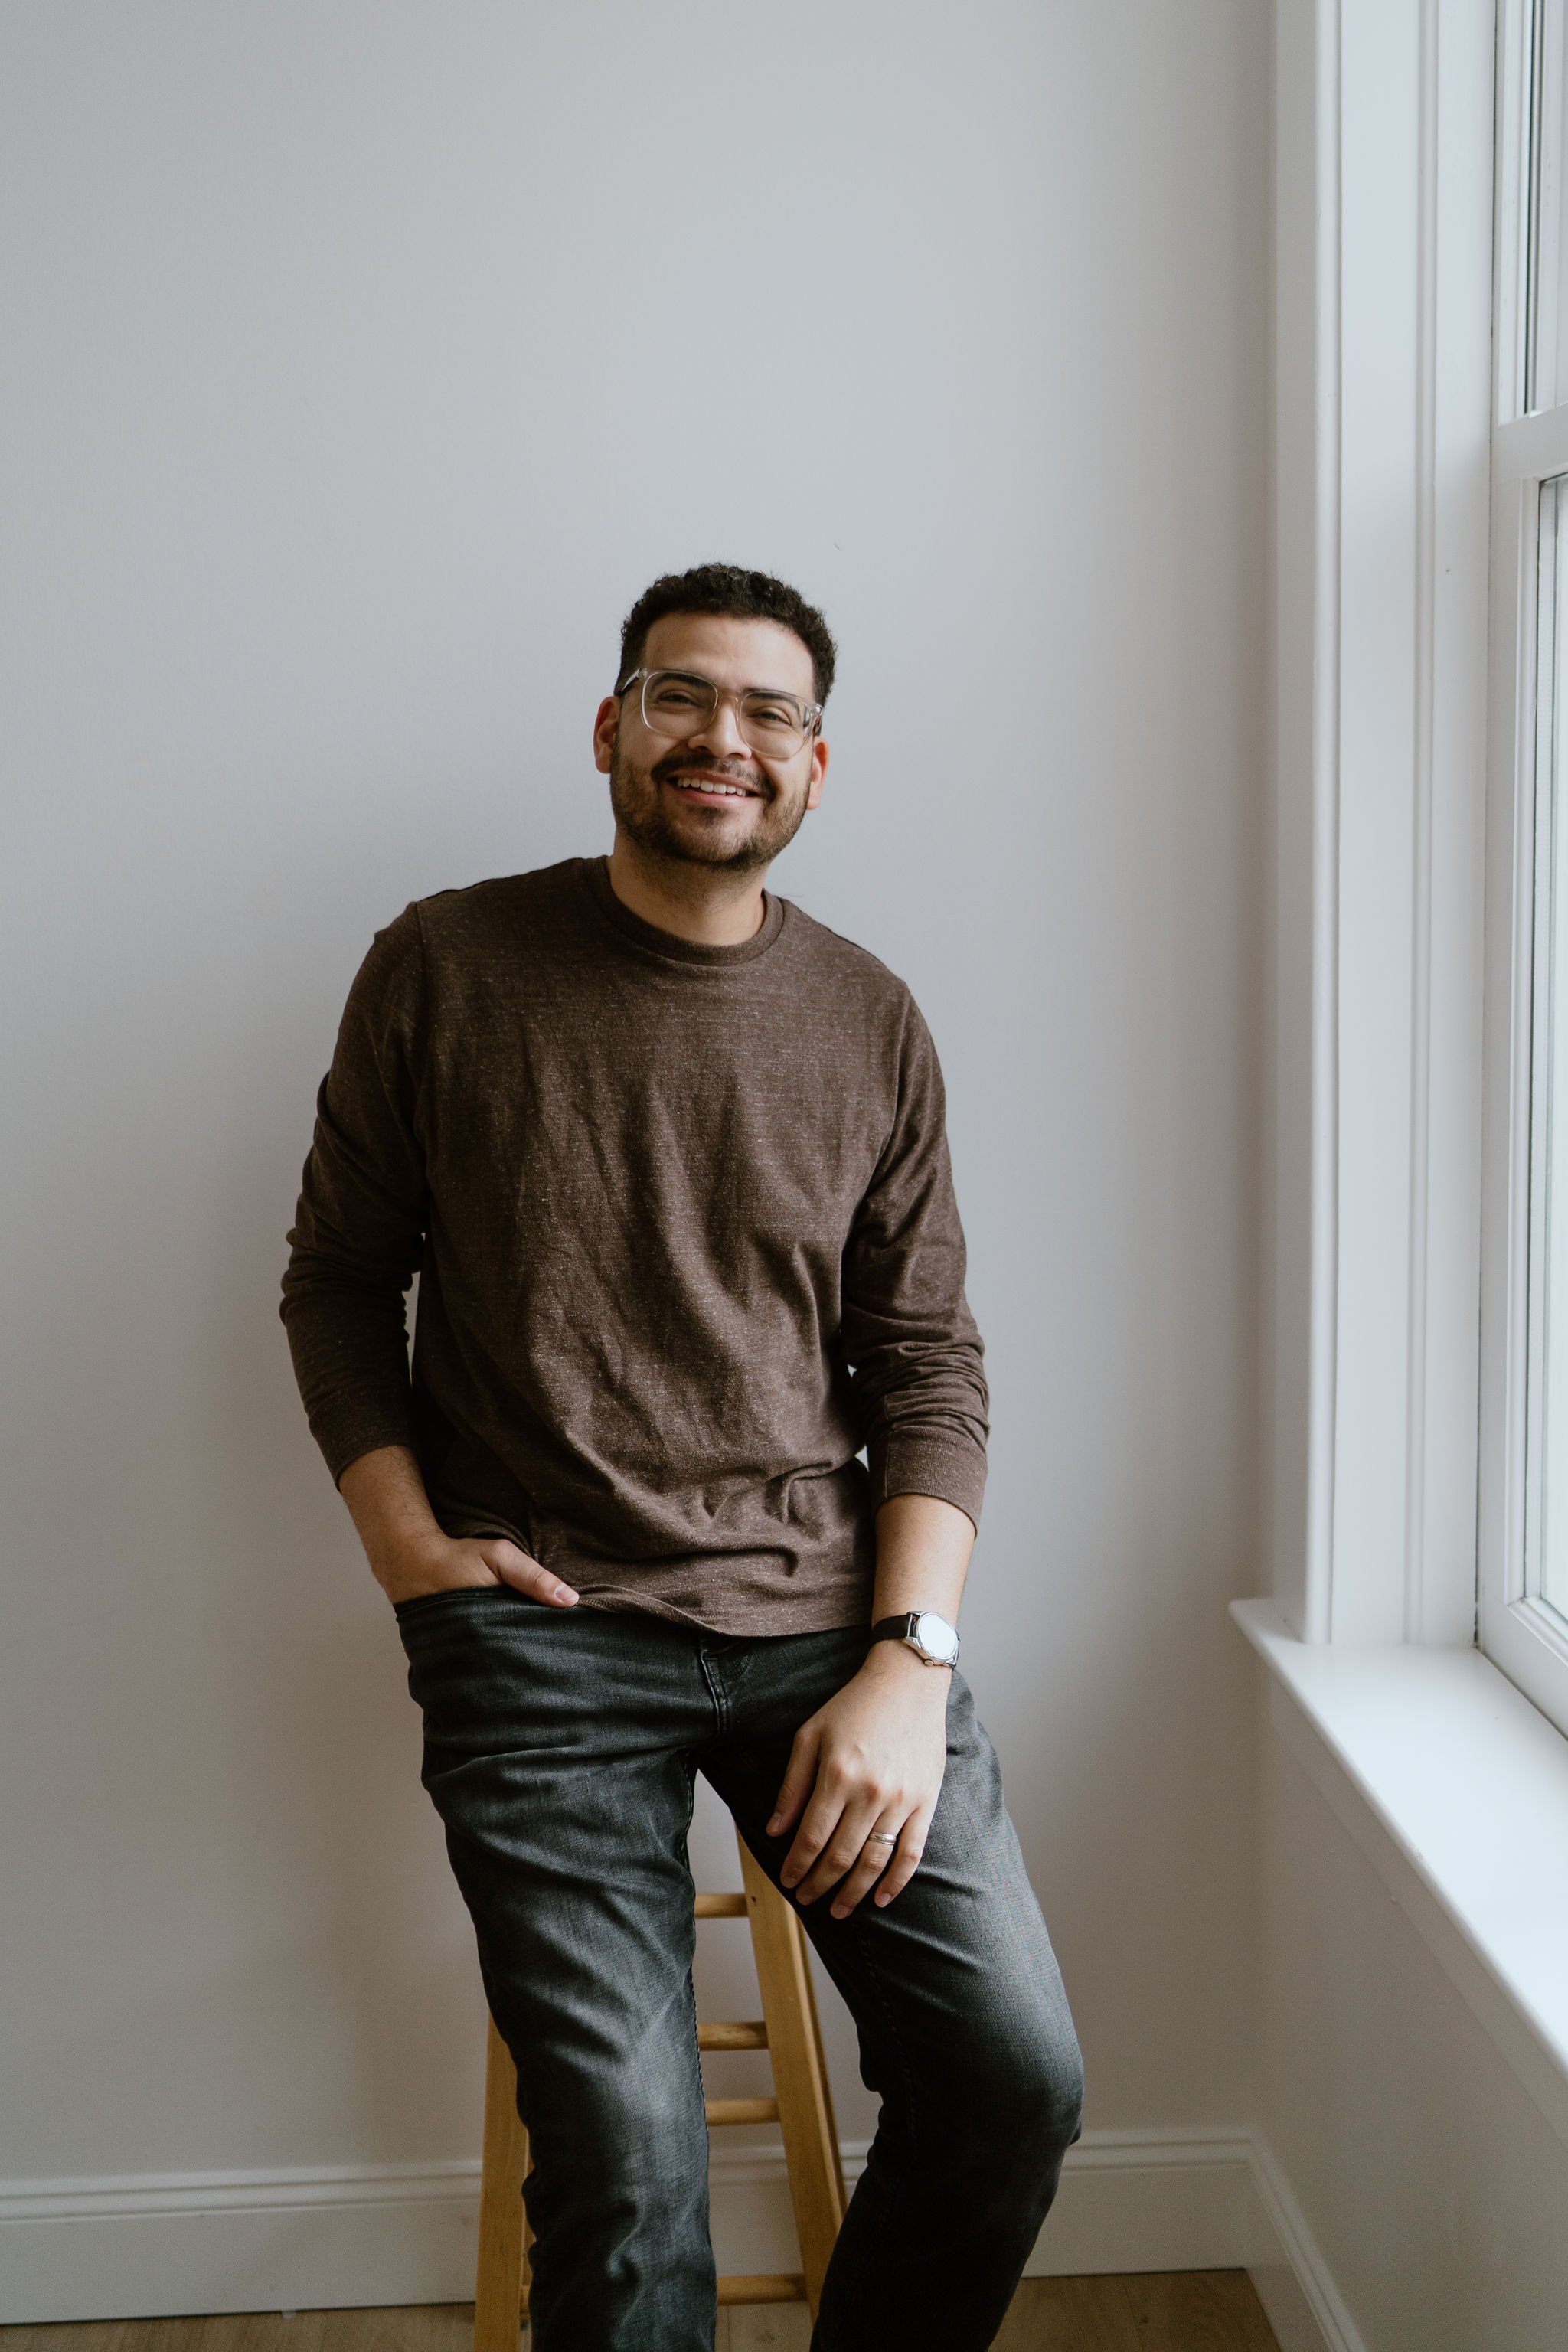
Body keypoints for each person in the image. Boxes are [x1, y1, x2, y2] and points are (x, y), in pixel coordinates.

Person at [280, 562, 1082, 2351]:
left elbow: (929, 1368)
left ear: (814, 765)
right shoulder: (445, 966)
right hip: (542, 1635)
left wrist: (908, 1662)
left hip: (829, 1639)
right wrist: (408, 1550)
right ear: (611, 728)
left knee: (1011, 2082)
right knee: (632, 2180)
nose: (724, 737)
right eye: (682, 695)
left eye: (769, 712)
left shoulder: (869, 1019)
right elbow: (338, 1280)